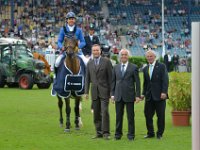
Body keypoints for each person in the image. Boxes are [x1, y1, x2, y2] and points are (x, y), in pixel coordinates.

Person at [111, 49, 141, 141]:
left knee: (130, 117)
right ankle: (117, 135)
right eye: (122, 54)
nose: (124, 56)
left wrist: (137, 95)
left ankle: (131, 135)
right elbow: (113, 82)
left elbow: (138, 82)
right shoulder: (115, 67)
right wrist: (112, 94)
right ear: (120, 56)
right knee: (118, 116)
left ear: (128, 56)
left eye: (125, 55)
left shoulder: (134, 67)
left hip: (129, 95)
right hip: (118, 95)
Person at [85, 44, 112, 140]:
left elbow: (111, 79)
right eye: (94, 50)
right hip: (94, 92)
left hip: (105, 91)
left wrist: (111, 93)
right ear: (92, 52)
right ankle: (98, 132)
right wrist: (86, 92)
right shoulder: (89, 63)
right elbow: (87, 78)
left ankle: (106, 133)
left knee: (104, 112)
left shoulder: (107, 62)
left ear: (100, 51)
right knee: (96, 113)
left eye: (97, 50)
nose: (95, 52)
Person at [141, 50, 169, 140]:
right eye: (148, 56)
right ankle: (150, 133)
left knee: (160, 116)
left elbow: (165, 80)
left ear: (155, 57)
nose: (149, 58)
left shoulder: (161, 66)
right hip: (149, 96)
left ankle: (159, 134)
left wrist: (164, 92)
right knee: (147, 115)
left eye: (151, 56)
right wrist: (143, 94)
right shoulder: (145, 69)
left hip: (160, 96)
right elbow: (145, 83)